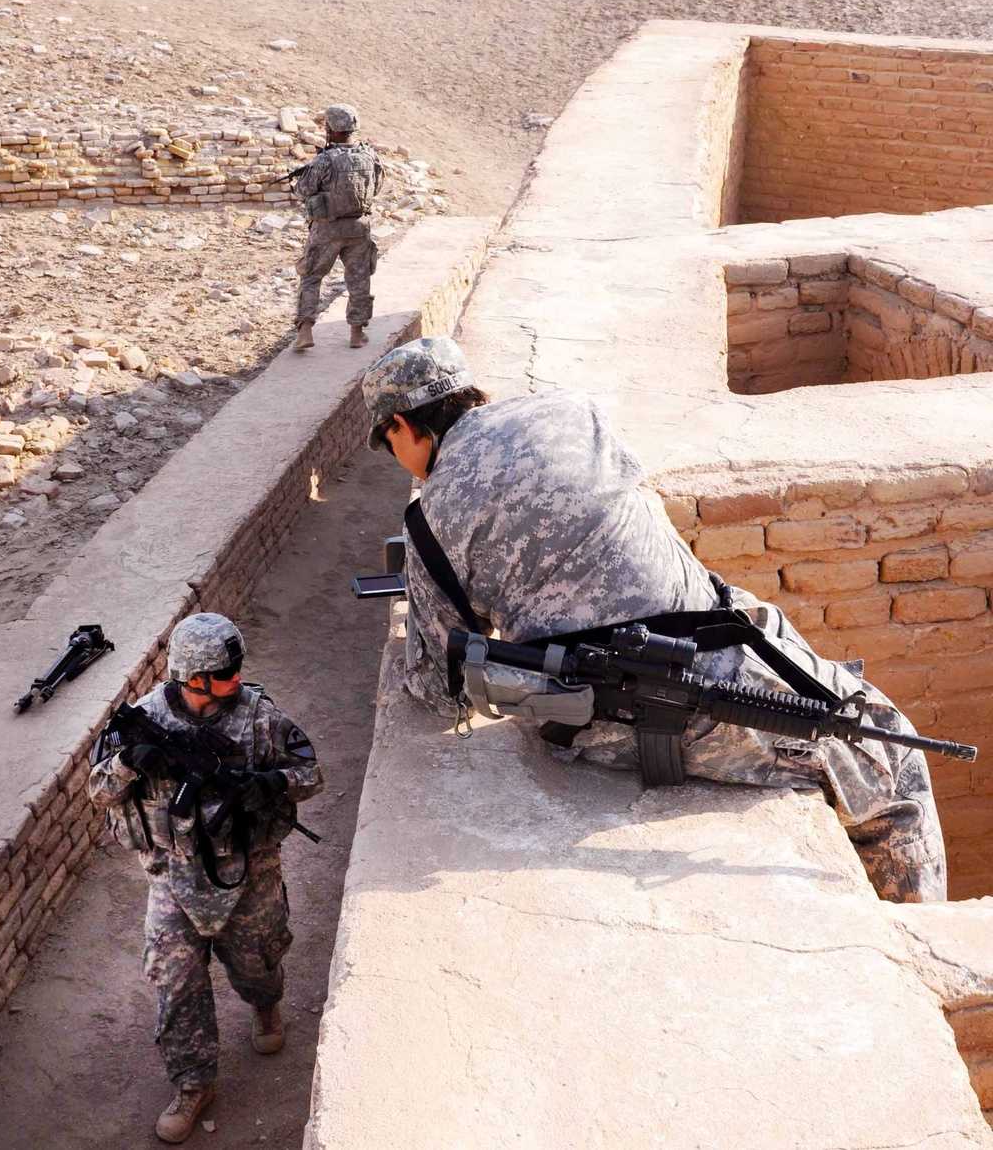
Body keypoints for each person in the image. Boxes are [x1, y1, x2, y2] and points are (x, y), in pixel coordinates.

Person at [361, 336, 948, 905]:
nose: (402, 466)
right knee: (894, 759)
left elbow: (439, 692)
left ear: (404, 426)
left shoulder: (430, 517)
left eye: (389, 446)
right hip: (684, 660)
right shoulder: (571, 410)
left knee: (879, 748)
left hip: (644, 696)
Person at [89, 613, 323, 1144]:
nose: (235, 682)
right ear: (191, 677)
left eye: (236, 671)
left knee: (258, 960)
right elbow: (97, 792)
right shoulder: (143, 718)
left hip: (249, 869)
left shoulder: (259, 717)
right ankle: (193, 1084)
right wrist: (128, 763)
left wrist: (270, 783)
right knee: (174, 985)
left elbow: (312, 774)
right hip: (172, 874)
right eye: (223, 675)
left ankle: (265, 1004)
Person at [292, 102, 385, 352]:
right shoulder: (370, 155)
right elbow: (376, 187)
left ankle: (304, 332)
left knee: (311, 277)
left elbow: (303, 191)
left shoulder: (325, 160)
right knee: (359, 280)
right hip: (359, 227)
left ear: (331, 128)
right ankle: (357, 333)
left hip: (327, 229)